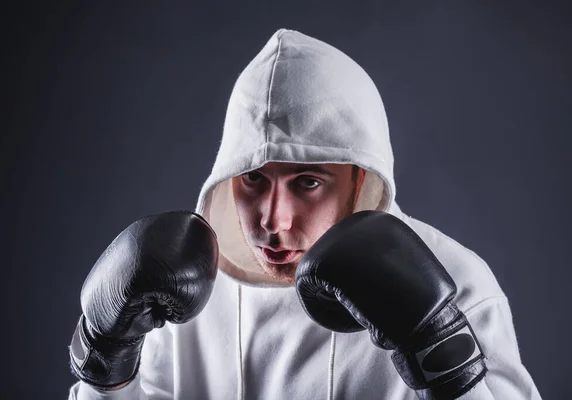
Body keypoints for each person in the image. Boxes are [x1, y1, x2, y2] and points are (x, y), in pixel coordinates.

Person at [67, 29, 542, 399]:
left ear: (360, 179)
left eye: (308, 182)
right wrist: (105, 362)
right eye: (253, 178)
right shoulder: (179, 288)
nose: (273, 222)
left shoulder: (455, 281)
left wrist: (446, 363)